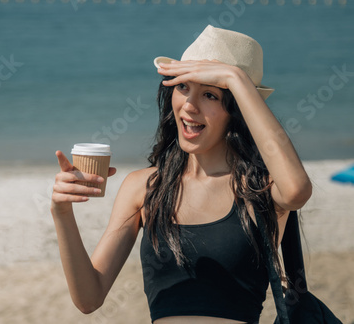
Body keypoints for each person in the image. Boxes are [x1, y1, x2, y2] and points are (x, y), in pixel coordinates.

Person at [50, 25, 312, 323]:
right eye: (183, 87)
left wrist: (234, 78)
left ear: (238, 108)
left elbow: (297, 191)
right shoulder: (145, 186)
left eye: (211, 95)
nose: (189, 105)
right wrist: (61, 212)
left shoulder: (260, 190)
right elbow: (89, 298)